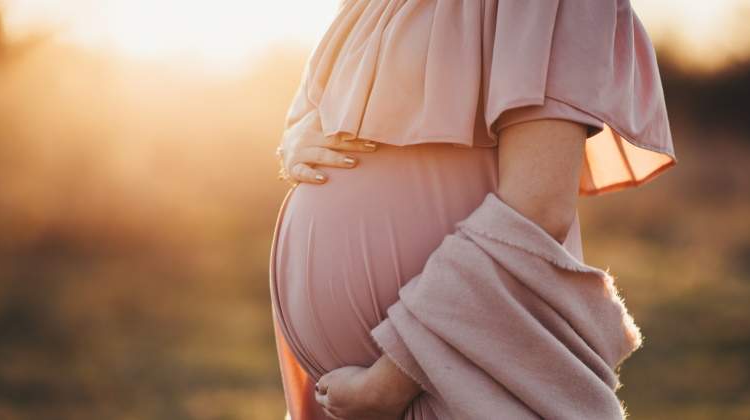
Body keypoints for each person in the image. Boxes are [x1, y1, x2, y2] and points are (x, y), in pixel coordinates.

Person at [269, 1, 677, 419]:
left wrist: (388, 382)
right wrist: (295, 142)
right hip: (341, 392)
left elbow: (535, 212)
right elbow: (316, 111)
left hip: (456, 383)